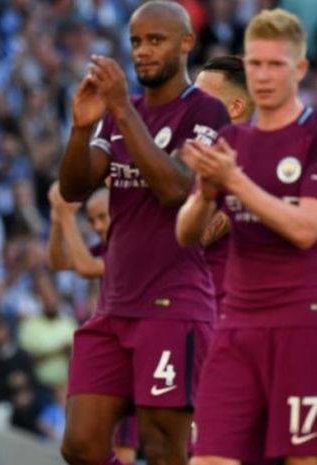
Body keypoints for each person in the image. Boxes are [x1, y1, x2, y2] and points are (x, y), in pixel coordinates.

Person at [57, 2, 230, 465]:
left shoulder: (207, 113)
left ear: (186, 43)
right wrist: (80, 128)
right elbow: (74, 186)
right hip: (113, 307)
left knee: (161, 449)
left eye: (156, 40)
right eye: (136, 41)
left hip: (172, 307)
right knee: (80, 445)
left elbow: (175, 187)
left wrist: (118, 110)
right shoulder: (119, 113)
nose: (144, 51)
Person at [176, 8, 317, 464]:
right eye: (255, 63)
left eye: (275, 65)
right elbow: (186, 234)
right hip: (234, 328)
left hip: (300, 327)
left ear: (298, 69)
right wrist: (204, 192)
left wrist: (233, 182)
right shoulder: (230, 143)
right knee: (207, 458)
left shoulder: (312, 136)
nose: (263, 75)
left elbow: (304, 229)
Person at [48, 183, 138, 464]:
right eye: (92, 221)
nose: (98, 226)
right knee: (95, 446)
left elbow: (87, 267)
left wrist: (66, 216)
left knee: (124, 448)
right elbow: (60, 261)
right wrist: (57, 221)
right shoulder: (110, 244)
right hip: (116, 348)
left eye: (103, 217)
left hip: (135, 350)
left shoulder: (135, 241)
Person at [193, 55, 254, 313]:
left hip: (221, 308)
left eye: (200, 98)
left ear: (235, 107)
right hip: (196, 302)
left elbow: (199, 237)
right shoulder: (205, 154)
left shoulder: (252, 156)